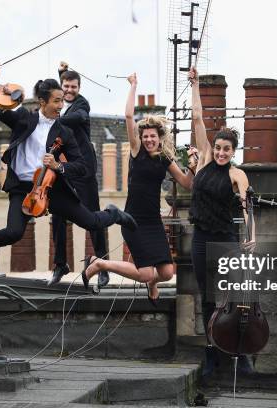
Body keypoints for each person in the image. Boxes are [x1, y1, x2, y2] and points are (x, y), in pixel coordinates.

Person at [0, 62, 136, 274]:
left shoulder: (63, 131)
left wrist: (59, 166)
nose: (61, 105)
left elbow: (80, 166)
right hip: (23, 188)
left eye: (62, 101)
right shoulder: (24, 118)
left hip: (52, 187)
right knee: (14, 232)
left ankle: (114, 214)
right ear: (43, 102)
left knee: (92, 222)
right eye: (57, 101)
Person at [82, 73, 197, 303]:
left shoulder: (165, 159)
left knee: (166, 273)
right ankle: (100, 263)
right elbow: (128, 115)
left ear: (159, 137)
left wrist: (193, 166)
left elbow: (187, 184)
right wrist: (134, 85)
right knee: (145, 273)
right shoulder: (136, 153)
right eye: (145, 136)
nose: (148, 140)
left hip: (153, 221)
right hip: (132, 220)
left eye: (152, 136)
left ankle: (152, 285)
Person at [188, 67, 256, 377]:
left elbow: (246, 205)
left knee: (235, 296)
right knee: (208, 298)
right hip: (201, 237)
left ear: (233, 151)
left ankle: (241, 355)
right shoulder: (203, 158)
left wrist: (251, 234)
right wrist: (196, 85)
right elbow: (198, 118)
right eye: (218, 148)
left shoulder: (236, 173)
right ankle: (213, 353)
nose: (220, 152)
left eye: (226, 149)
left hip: (226, 239)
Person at [48, 62, 109, 287]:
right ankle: (60, 264)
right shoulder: (60, 103)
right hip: (64, 170)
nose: (70, 90)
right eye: (66, 86)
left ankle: (102, 264)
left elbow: (79, 117)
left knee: (93, 216)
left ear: (79, 87)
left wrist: (51, 119)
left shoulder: (81, 105)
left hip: (83, 169)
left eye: (74, 86)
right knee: (58, 216)